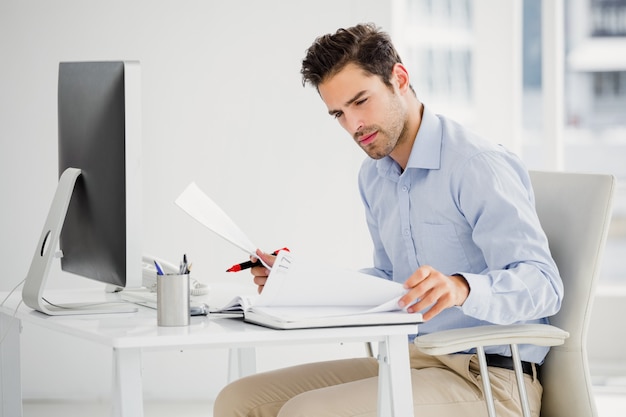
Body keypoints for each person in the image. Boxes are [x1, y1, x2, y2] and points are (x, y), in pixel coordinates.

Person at [213, 23, 563, 417]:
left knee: (307, 411)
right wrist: (302, 282)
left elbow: (544, 284)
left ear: (399, 78)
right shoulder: (375, 176)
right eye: (339, 114)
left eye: (361, 101)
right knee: (238, 401)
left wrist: (462, 287)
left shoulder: (475, 164)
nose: (353, 125)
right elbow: (390, 282)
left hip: (488, 379)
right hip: (411, 360)